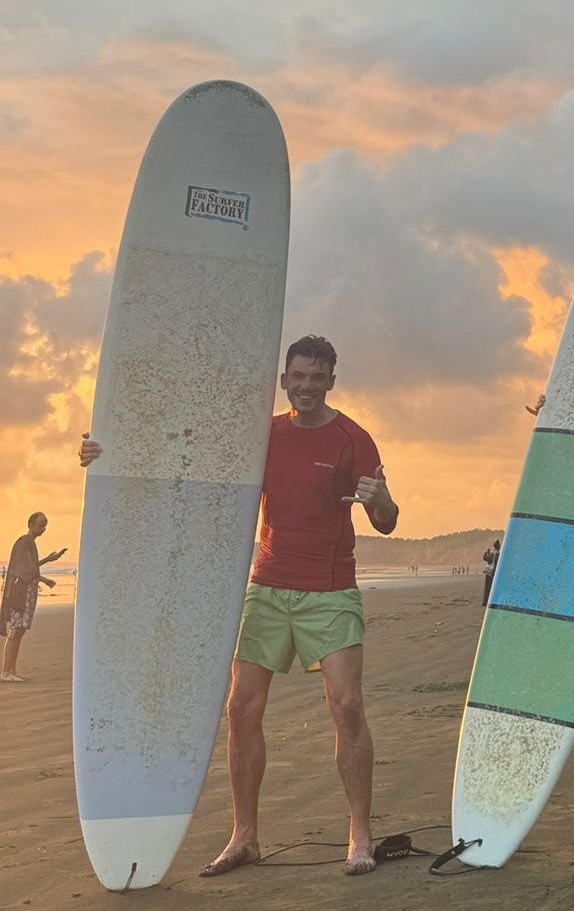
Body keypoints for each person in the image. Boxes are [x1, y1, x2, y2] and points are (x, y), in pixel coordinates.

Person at [80, 335, 398, 877]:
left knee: (346, 707)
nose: (306, 387)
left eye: (317, 378)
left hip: (330, 590)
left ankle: (360, 836)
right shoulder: (263, 435)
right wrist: (108, 448)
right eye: (297, 377)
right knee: (241, 709)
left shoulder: (353, 440)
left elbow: (386, 520)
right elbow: (183, 456)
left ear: (331, 382)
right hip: (266, 587)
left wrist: (380, 502)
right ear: (284, 381)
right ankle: (244, 836)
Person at [2, 513, 66, 682]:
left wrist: (45, 579)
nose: (43, 529)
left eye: (45, 525)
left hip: (28, 591)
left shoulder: (30, 544)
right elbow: (25, 569)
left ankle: (11, 670)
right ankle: (6, 672)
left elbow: (30, 570)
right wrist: (49, 559)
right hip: (20, 593)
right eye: (40, 525)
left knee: (20, 630)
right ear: (30, 524)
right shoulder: (24, 542)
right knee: (16, 630)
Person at [481, 535, 501, 606]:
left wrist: (486, 552)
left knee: (487, 588)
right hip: (496, 573)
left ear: (494, 548)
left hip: (490, 573)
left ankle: (485, 601)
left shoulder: (492, 555)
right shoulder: (500, 555)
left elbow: (484, 558)